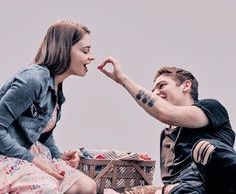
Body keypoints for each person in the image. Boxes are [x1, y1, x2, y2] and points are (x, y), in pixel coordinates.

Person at [98, 57, 236, 194]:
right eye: (153, 90)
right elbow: (173, 182)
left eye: (162, 85)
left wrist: (123, 79)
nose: (156, 92)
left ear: (186, 85)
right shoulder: (166, 137)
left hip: (221, 180)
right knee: (171, 189)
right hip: (191, 189)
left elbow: (167, 113)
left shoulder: (211, 107)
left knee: (205, 149)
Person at [0, 20, 97, 194]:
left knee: (86, 187)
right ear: (65, 49)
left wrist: (57, 155)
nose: (91, 57)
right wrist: (32, 160)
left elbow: (42, 132)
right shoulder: (33, 79)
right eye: (85, 51)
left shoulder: (56, 86)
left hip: (29, 153)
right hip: (7, 155)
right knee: (48, 189)